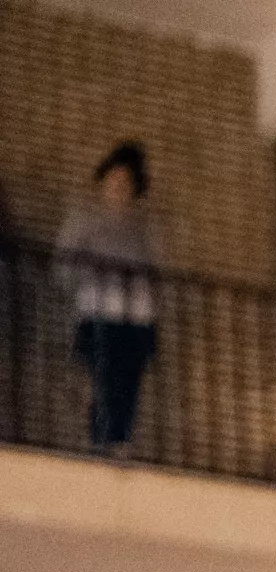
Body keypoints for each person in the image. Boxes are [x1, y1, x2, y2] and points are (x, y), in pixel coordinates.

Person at [54, 142, 161, 455]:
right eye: (112, 183)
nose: (118, 190)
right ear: (102, 184)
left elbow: (158, 271)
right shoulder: (85, 221)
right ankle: (100, 439)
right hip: (98, 309)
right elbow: (64, 264)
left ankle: (121, 442)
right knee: (101, 377)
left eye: (125, 184)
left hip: (137, 314)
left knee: (128, 380)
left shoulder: (144, 228)